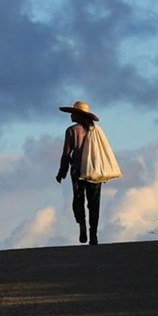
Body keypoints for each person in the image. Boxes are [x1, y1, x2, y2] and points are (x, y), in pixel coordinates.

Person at [55, 100, 102, 245]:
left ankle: (82, 225)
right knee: (94, 203)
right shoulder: (96, 131)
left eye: (73, 113)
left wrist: (62, 172)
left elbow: (66, 154)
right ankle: (93, 234)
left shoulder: (71, 131)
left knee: (78, 199)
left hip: (78, 171)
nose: (70, 115)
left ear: (79, 115)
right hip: (94, 172)